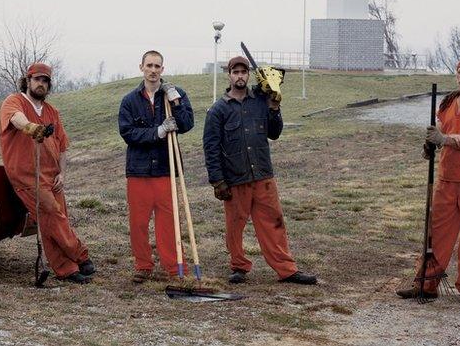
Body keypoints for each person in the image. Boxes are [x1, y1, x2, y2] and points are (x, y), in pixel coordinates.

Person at [202, 55, 316, 285]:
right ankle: (239, 267)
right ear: (229, 75)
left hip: (263, 175)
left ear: (248, 75)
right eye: (236, 72)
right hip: (235, 179)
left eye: (244, 72)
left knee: (274, 223)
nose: (240, 76)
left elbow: (274, 133)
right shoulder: (218, 111)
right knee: (235, 226)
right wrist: (218, 181)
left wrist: (274, 108)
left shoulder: (261, 100)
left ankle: (287, 270)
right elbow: (211, 148)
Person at [397, 58, 460, 305]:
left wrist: (445, 138)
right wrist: (430, 144)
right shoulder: (447, 104)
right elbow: (438, 132)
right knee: (437, 233)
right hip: (447, 178)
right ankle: (427, 284)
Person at [0, 61, 95, 283]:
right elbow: (17, 119)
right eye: (37, 79)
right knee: (52, 214)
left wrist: (62, 173)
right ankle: (79, 255)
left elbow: (62, 146)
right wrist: (32, 128)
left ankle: (66, 270)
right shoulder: (14, 102)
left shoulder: (52, 112)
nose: (41, 84)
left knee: (53, 220)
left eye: (45, 81)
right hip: (27, 176)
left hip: (52, 176)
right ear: (28, 80)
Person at [117, 50, 195, 282]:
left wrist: (176, 103)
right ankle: (143, 265)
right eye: (149, 65)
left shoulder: (175, 95)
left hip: (165, 169)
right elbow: (128, 133)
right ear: (141, 67)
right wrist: (158, 131)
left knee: (168, 221)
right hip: (139, 171)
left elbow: (187, 124)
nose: (153, 70)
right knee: (138, 222)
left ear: (163, 69)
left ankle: (173, 266)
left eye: (157, 66)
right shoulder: (130, 100)